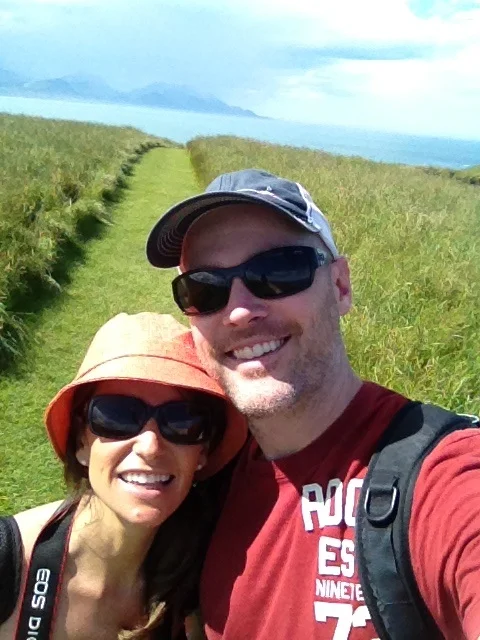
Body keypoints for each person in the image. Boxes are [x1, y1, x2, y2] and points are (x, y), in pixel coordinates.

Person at [146, 169, 480, 640]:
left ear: (340, 286)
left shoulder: (442, 477)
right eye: (204, 289)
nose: (239, 311)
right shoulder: (206, 470)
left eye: (279, 271)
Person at [0, 312, 246, 640]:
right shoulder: (7, 564)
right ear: (81, 442)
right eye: (117, 416)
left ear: (202, 451)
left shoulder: (207, 572)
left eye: (182, 421)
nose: (150, 447)